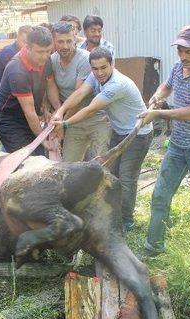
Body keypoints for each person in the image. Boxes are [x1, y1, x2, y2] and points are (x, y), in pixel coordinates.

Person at [138, 26, 190, 269]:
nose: (183, 56)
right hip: (177, 145)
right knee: (160, 196)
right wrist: (157, 97)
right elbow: (167, 86)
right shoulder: (179, 67)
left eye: (189, 51)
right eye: (180, 51)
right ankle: (153, 247)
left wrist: (158, 112)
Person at [51, 47, 152, 232]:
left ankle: (126, 220)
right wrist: (60, 111)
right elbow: (80, 94)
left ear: (112, 64)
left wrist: (65, 124)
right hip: (119, 131)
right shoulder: (95, 76)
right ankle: (112, 212)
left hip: (138, 134)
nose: (99, 73)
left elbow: (90, 109)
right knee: (110, 174)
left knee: (126, 177)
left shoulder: (117, 84)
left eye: (104, 68)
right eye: (95, 69)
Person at [47, 21, 110, 161]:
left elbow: (78, 96)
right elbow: (50, 87)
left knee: (98, 165)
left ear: (75, 38)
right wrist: (57, 112)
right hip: (72, 120)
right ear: (53, 41)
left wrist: (62, 122)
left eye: (69, 41)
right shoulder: (51, 60)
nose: (65, 46)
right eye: (60, 41)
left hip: (95, 118)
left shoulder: (85, 59)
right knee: (69, 166)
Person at [0, 26, 60, 156]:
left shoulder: (47, 60)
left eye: (48, 51)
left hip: (30, 115)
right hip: (9, 120)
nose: (45, 56)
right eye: (40, 52)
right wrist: (42, 140)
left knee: (40, 156)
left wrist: (58, 110)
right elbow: (29, 112)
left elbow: (50, 85)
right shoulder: (17, 71)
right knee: (26, 158)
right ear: (27, 47)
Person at [0, 25, 32, 115]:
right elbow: (18, 75)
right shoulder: (8, 52)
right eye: (24, 41)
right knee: (2, 123)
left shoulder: (24, 52)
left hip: (8, 94)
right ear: (17, 37)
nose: (26, 45)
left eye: (28, 43)